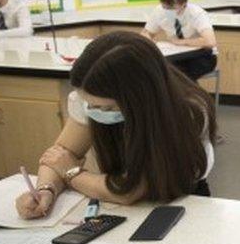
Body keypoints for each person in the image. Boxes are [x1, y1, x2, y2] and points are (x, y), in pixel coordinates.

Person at [15, 31, 218, 218]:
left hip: (183, 201)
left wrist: (71, 172)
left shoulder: (189, 111)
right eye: (91, 104)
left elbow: (129, 191)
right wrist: (46, 189)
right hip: (123, 203)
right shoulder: (91, 99)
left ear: (139, 97)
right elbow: (60, 154)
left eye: (108, 107)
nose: (95, 111)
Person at [140, 0, 217, 80]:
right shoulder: (159, 11)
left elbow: (210, 41)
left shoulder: (196, 13)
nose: (167, 11)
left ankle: (187, 94)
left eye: (172, 8)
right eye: (165, 8)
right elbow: (146, 33)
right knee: (160, 69)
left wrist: (183, 42)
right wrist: (149, 41)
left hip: (201, 56)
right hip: (175, 55)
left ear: (183, 4)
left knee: (179, 75)